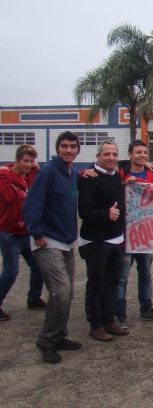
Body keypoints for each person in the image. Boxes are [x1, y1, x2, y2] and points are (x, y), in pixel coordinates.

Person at [23, 131, 83, 363]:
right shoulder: (48, 171)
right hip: (47, 241)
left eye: (72, 146)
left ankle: (59, 336)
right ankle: (46, 340)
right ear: (58, 149)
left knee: (68, 293)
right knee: (60, 292)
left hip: (67, 241)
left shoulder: (73, 174)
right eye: (64, 146)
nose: (69, 150)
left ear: (78, 150)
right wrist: (36, 233)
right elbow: (31, 204)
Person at [78, 140, 129, 341]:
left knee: (111, 283)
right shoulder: (90, 178)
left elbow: (135, 162)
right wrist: (105, 214)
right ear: (98, 156)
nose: (111, 158)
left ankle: (109, 320)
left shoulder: (117, 175)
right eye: (106, 154)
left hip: (116, 240)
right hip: (96, 242)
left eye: (114, 154)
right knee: (96, 284)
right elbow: (84, 211)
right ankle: (95, 324)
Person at [114, 139, 153, 327]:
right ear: (130, 155)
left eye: (145, 152)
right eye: (138, 152)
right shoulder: (120, 172)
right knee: (121, 277)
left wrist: (140, 182)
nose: (142, 155)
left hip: (145, 235)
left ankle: (146, 309)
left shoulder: (151, 173)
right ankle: (119, 313)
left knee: (145, 274)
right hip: (125, 236)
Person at [0, 145, 46, 321]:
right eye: (25, 161)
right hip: (8, 231)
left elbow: (34, 195)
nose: (28, 164)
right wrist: (11, 178)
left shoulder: (29, 176)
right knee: (11, 271)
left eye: (31, 161)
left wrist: (33, 173)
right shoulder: (5, 176)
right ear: (17, 160)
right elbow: (10, 198)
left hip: (26, 231)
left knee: (38, 266)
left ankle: (34, 297)